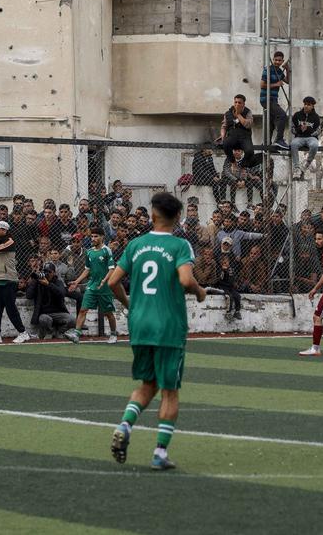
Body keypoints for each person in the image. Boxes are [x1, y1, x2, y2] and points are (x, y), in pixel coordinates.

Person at [106, 192, 206, 471]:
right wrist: (200, 291)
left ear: (152, 215)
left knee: (147, 385)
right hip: (168, 326)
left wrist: (131, 305)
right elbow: (185, 279)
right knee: (169, 392)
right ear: (178, 217)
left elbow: (112, 281)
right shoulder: (180, 245)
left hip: (140, 324)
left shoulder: (135, 244)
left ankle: (125, 426)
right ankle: (160, 452)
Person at [69, 228, 122, 343]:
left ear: (102, 237)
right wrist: (77, 281)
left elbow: (111, 269)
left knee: (108, 313)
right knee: (83, 310)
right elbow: (87, 269)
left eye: (96, 236)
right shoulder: (89, 252)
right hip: (92, 286)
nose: (93, 239)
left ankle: (113, 334)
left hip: (104, 287)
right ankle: (76, 334)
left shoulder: (107, 250)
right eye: (92, 236)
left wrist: (104, 281)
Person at [0, 221, 31, 344]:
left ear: (4, 230)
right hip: (0, 279)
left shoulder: (10, 241)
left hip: (9, 279)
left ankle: (23, 333)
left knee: (10, 308)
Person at [260, 50, 291, 151]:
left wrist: (287, 69)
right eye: (276, 60)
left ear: (282, 61)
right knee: (282, 115)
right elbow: (262, 85)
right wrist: (276, 84)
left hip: (273, 99)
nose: (277, 62)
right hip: (266, 99)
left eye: (279, 60)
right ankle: (279, 139)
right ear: (273, 60)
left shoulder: (279, 71)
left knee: (271, 122)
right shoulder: (268, 69)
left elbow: (288, 81)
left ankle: (267, 144)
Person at [289, 96, 323, 179]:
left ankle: (306, 165)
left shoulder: (316, 117)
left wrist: (308, 130)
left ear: (312, 106)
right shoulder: (297, 115)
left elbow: (318, 131)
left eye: (308, 105)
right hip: (299, 137)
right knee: (293, 144)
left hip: (311, 137)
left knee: (315, 145)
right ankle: (297, 168)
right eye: (305, 104)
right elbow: (292, 129)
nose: (306, 106)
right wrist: (299, 129)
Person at [219, 94, 258, 167]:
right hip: (232, 136)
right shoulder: (228, 113)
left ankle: (243, 166)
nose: (237, 104)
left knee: (250, 151)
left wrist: (238, 115)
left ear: (243, 104)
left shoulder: (248, 112)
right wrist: (223, 136)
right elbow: (224, 126)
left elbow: (248, 125)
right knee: (225, 144)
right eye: (235, 102)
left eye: (239, 103)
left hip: (244, 137)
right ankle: (233, 162)